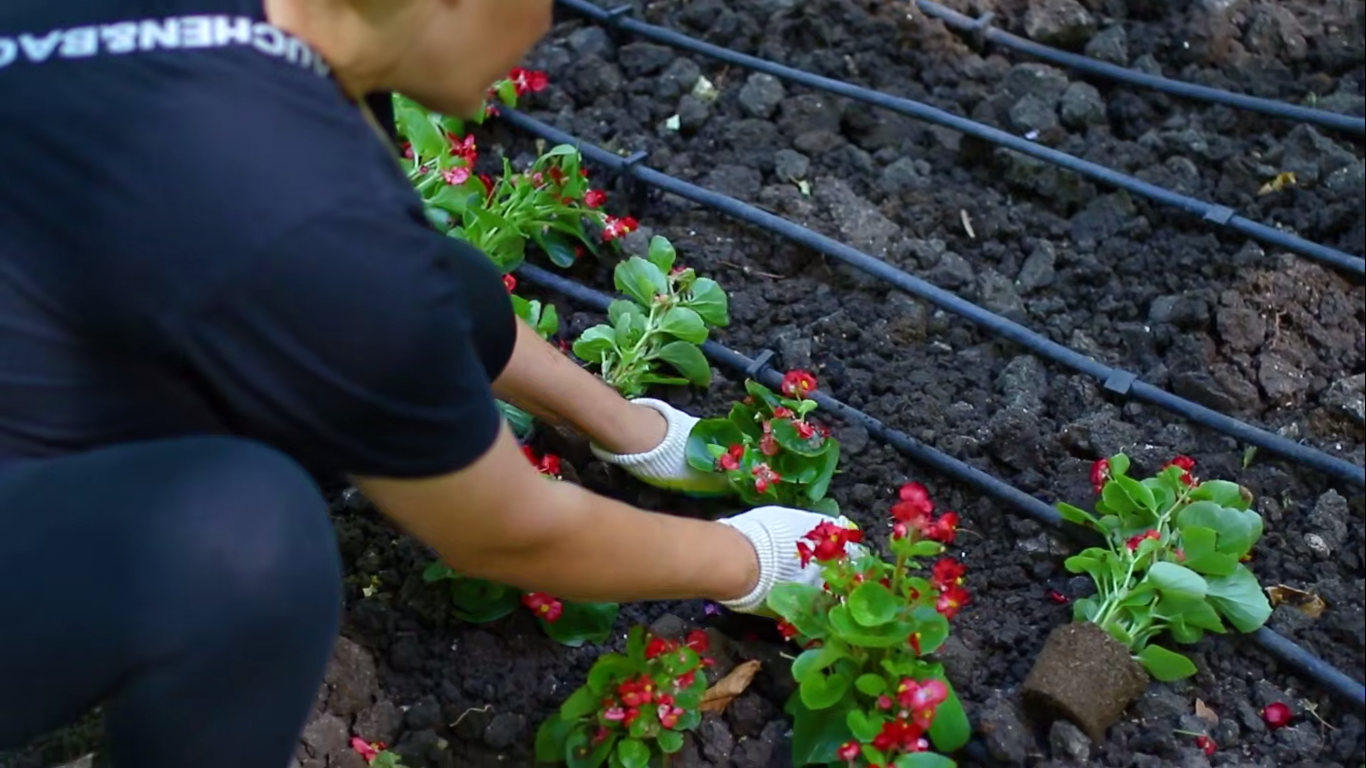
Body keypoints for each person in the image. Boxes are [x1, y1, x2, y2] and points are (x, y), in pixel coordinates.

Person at [0, 1, 855, 766]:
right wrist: (757, 559)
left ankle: (629, 432)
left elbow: (412, 293)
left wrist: (636, 430)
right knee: (246, 546)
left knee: (446, 284)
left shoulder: (259, 40)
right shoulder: (294, 202)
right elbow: (507, 535)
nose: (541, 29)